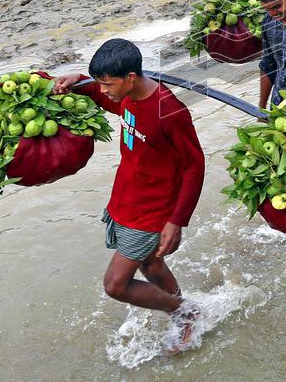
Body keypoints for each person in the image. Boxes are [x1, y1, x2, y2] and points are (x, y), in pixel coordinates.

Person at [53, 38, 205, 349]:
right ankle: (183, 312)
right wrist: (78, 81)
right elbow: (106, 98)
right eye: (101, 83)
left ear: (131, 78)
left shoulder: (169, 112)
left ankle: (185, 312)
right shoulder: (126, 95)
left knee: (115, 284)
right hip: (126, 198)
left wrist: (176, 221)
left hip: (152, 211)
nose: (104, 89)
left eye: (108, 83)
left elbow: (195, 167)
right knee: (151, 265)